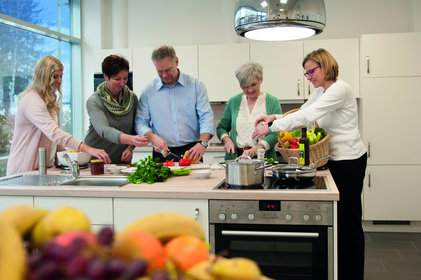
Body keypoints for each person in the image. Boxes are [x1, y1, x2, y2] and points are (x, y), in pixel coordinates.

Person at [252, 48, 367, 280]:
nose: (309, 77)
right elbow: (303, 110)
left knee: (349, 222)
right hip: (332, 161)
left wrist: (271, 128)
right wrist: (274, 118)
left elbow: (309, 114)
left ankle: (352, 274)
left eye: (311, 71)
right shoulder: (322, 91)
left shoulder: (340, 89)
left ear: (325, 66)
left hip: (349, 161)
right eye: (306, 74)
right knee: (339, 220)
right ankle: (338, 271)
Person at [7, 55, 110, 176]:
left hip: (43, 169)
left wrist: (71, 161)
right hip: (24, 170)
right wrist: (89, 149)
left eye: (61, 76)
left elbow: (57, 143)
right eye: (55, 76)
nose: (59, 81)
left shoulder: (51, 102)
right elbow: (55, 133)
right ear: (44, 76)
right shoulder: (32, 100)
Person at [135, 45, 214, 162]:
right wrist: (152, 137)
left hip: (192, 150)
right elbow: (140, 122)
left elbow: (206, 116)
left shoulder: (196, 86)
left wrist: (202, 143)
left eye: (168, 70)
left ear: (176, 61)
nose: (164, 75)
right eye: (160, 71)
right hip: (161, 152)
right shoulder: (148, 91)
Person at [84, 55, 148, 164]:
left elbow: (135, 127)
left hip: (120, 162)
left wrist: (130, 148)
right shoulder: (94, 101)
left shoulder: (132, 98)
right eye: (117, 79)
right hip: (95, 162)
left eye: (125, 78)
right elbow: (104, 130)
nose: (123, 83)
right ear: (105, 76)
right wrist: (131, 139)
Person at [216, 62, 281, 161]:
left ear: (261, 80)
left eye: (253, 84)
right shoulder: (233, 102)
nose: (250, 89)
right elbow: (221, 128)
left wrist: (256, 149)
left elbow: (275, 132)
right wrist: (227, 140)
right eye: (245, 86)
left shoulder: (272, 102)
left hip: (263, 158)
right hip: (236, 159)